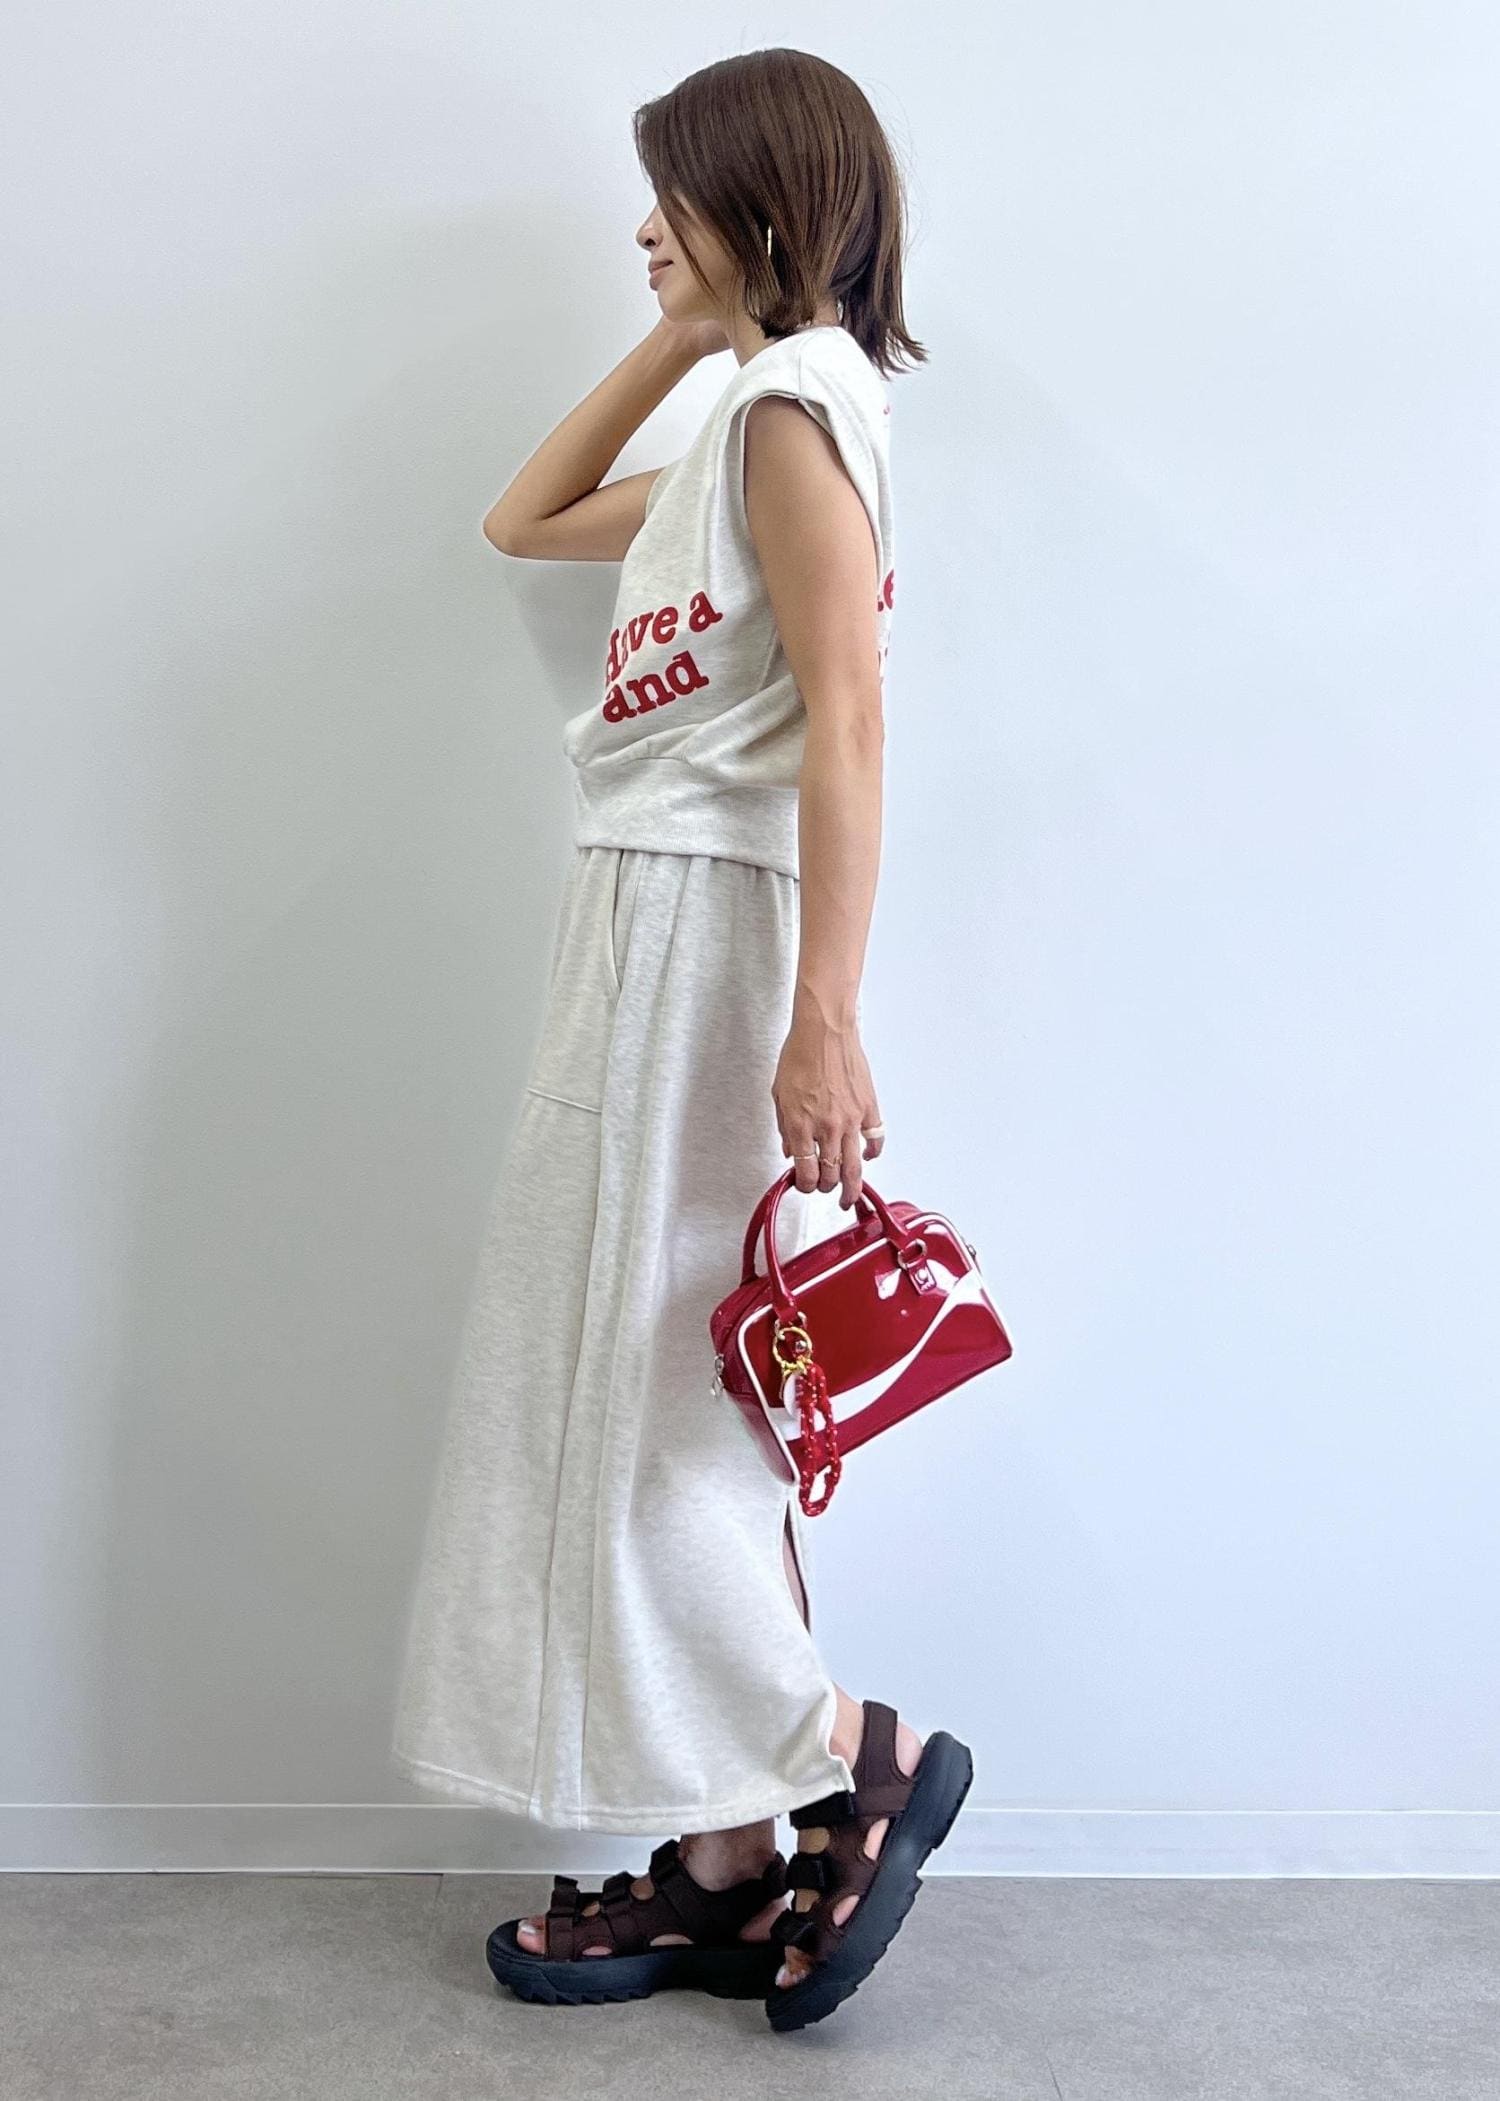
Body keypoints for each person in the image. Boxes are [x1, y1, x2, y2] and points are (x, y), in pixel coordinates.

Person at [389, 46, 973, 2033]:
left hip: (710, 921)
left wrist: (826, 1017)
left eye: (677, 200)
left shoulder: (796, 410)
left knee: (651, 1397)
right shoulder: (753, 408)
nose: (643, 227)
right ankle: (726, 1856)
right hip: (646, 907)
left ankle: (846, 1753)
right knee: (630, 1378)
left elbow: (850, 716)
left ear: (765, 203)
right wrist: (683, 330)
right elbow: (522, 515)